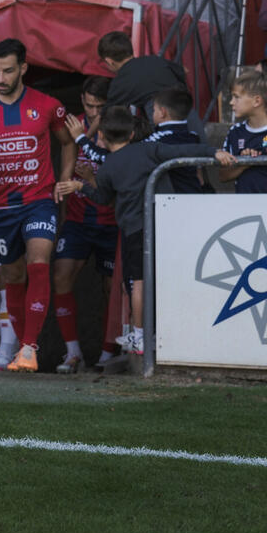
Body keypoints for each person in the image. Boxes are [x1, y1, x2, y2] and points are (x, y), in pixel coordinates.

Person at [55, 106, 232, 360]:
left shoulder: (108, 166)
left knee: (138, 282)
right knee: (165, 279)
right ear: (131, 134)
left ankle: (139, 335)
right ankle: (169, 332)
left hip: (135, 230)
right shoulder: (149, 150)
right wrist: (214, 152)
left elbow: (102, 198)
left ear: (102, 135)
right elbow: (182, 151)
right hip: (164, 225)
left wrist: (80, 185)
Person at [0, 39, 76, 372]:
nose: (0, 78)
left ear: (23, 68)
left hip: (39, 201)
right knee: (13, 275)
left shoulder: (48, 105)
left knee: (38, 261)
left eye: (7, 70)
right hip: (0, 205)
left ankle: (29, 347)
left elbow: (67, 143)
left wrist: (64, 179)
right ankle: (23, 347)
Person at [53, 77, 121, 371]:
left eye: (99, 107)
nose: (93, 112)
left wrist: (92, 178)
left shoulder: (118, 126)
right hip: (78, 220)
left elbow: (119, 173)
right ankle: (72, 353)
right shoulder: (74, 124)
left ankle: (107, 352)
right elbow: (66, 170)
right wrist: (63, 214)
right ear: (81, 100)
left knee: (111, 289)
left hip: (110, 220)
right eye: (89, 105)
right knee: (61, 276)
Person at [98, 30, 188, 121]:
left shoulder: (119, 82)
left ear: (110, 61)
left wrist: (89, 131)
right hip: (186, 108)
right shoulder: (154, 60)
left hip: (163, 118)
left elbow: (104, 116)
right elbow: (184, 70)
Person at [147, 86, 213, 195]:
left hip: (168, 198)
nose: (152, 113)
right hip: (193, 193)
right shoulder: (194, 137)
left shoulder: (157, 138)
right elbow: (199, 175)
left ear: (162, 112)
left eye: (154, 110)